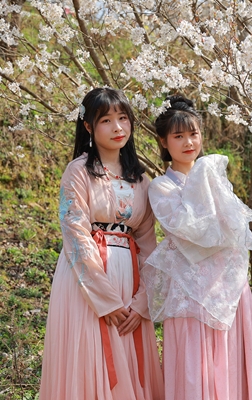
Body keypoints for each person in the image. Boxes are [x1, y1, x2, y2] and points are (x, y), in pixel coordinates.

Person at [141, 95, 252, 400]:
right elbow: (191, 231)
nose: (188, 142)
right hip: (190, 292)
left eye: (193, 134)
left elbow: (235, 229)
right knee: (195, 370)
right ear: (163, 141)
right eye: (178, 136)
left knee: (231, 364)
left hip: (229, 287)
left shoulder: (215, 179)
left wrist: (206, 177)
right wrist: (202, 176)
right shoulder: (161, 187)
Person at [39, 88, 164, 400]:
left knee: (130, 362)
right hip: (87, 282)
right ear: (88, 126)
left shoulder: (141, 180)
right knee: (91, 358)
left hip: (131, 282)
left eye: (123, 118)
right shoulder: (78, 171)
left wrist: (142, 302)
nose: (117, 127)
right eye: (106, 120)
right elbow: (76, 234)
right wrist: (105, 299)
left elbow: (148, 243)